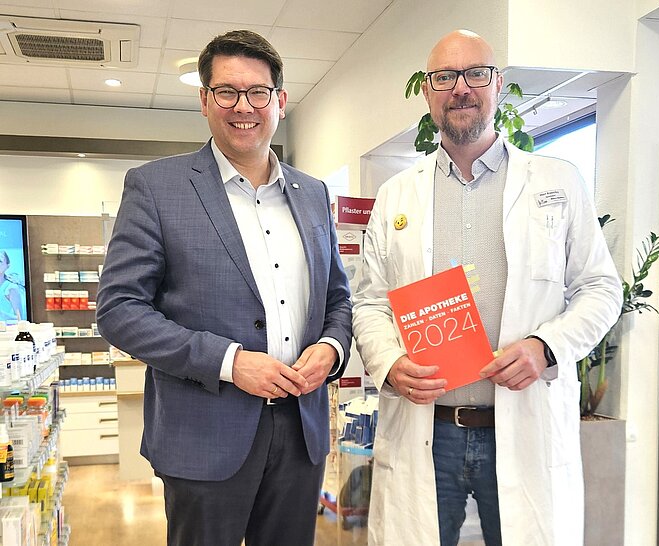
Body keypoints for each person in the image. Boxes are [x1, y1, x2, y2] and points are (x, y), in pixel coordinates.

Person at [352, 29, 623, 546]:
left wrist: (546, 347)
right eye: (445, 77)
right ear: (428, 91)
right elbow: (369, 300)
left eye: (475, 74)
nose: (461, 88)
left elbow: (600, 289)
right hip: (429, 430)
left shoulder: (558, 182)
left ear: (497, 84)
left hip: (522, 424)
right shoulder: (396, 195)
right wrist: (389, 362)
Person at [96, 30, 352, 546]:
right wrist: (231, 362)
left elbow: (337, 299)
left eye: (257, 92)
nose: (243, 106)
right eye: (227, 92)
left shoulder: (312, 193)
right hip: (203, 436)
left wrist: (331, 347)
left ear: (279, 100)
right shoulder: (157, 187)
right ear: (204, 100)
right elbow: (119, 309)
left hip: (301, 432)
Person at [0, 251, 24, 323]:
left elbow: (20, 320)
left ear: (7, 266)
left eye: (0, 261)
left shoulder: (11, 288)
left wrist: (2, 314)